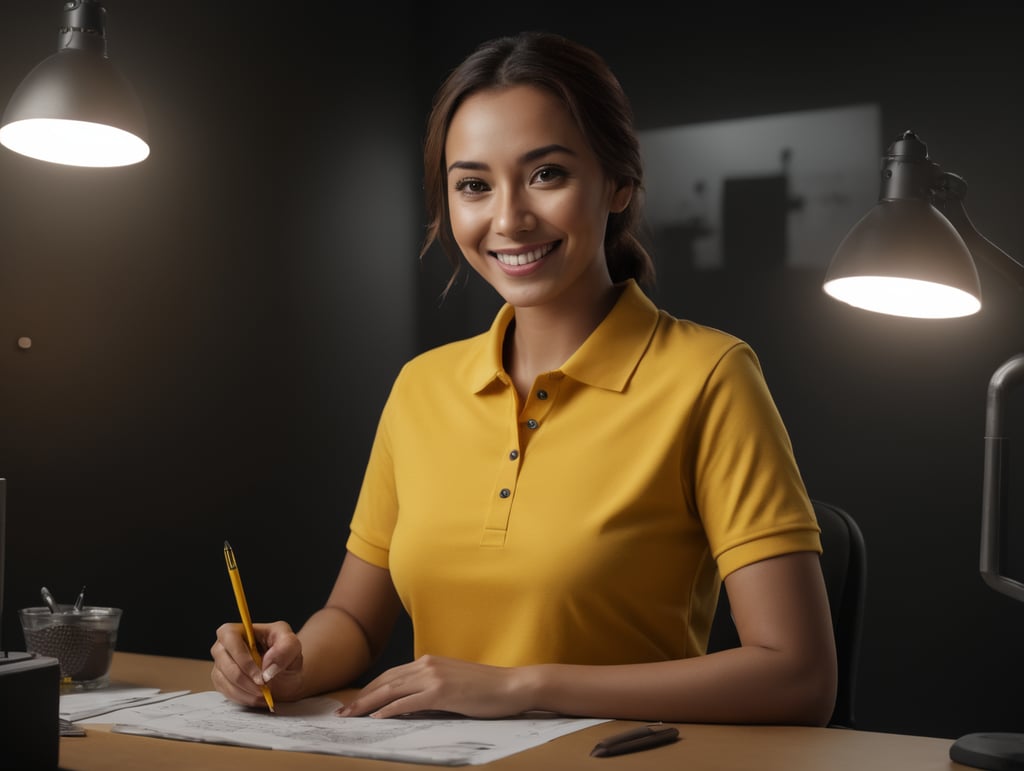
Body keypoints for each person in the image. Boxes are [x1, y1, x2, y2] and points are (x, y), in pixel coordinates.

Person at [210, 30, 837, 726]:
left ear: (620, 181)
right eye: (473, 185)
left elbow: (799, 674)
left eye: (547, 174)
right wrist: (289, 662)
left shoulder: (710, 377)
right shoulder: (421, 386)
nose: (508, 218)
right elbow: (355, 621)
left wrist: (522, 686)